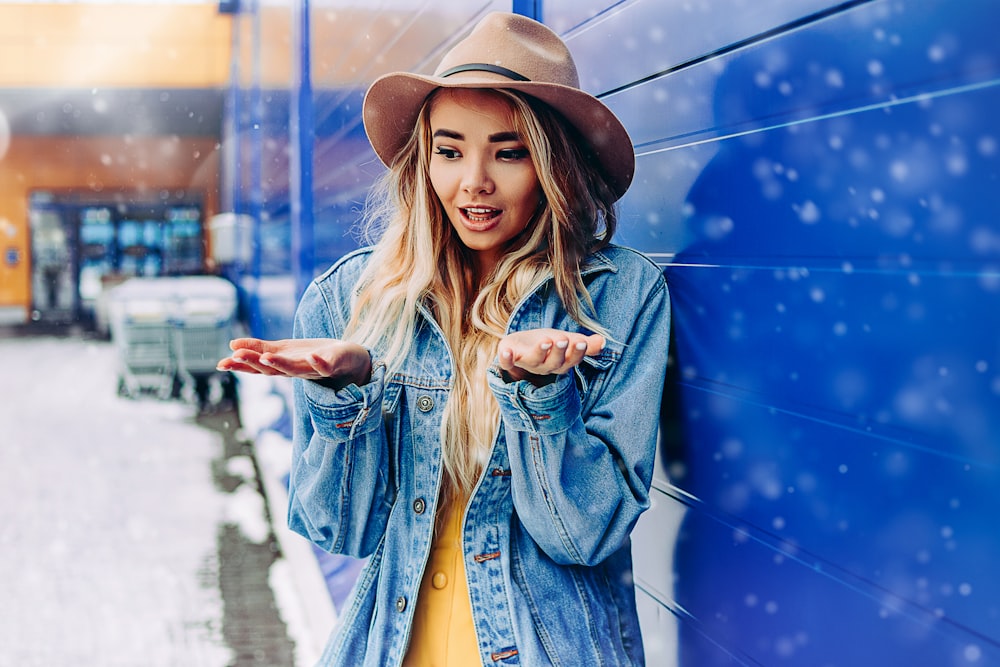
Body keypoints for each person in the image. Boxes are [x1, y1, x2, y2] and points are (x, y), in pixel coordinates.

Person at [217, 12, 671, 667]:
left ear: (554, 163)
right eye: (450, 150)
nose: (473, 182)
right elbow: (337, 528)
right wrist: (344, 398)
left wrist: (541, 397)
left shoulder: (618, 296)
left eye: (508, 151)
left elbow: (582, 533)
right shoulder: (353, 300)